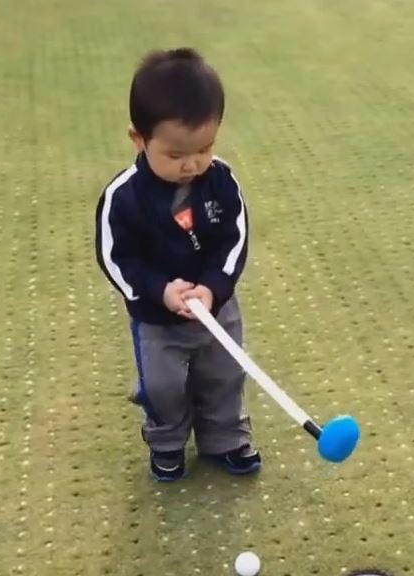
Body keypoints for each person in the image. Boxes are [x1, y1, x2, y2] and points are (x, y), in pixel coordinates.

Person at [95, 48, 260, 481]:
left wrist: (212, 287)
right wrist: (160, 290)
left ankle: (225, 438)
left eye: (204, 148)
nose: (192, 163)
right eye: (175, 154)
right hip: (157, 319)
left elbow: (234, 239)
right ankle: (167, 441)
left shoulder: (220, 180)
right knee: (163, 385)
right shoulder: (124, 197)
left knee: (224, 373)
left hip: (216, 308)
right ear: (139, 139)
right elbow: (117, 258)